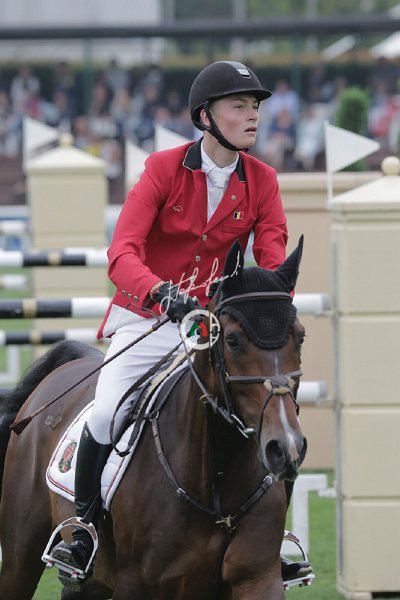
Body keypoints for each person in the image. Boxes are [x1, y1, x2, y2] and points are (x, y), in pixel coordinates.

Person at [49, 60, 312, 587]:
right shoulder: (163, 169)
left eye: (255, 106)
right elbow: (121, 253)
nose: (253, 115)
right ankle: (84, 529)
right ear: (205, 116)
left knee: (270, 409)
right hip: (148, 317)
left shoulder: (262, 180)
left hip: (212, 326)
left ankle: (270, 539)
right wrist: (160, 292)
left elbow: (272, 252)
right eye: (239, 106)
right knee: (108, 410)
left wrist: (268, 301)